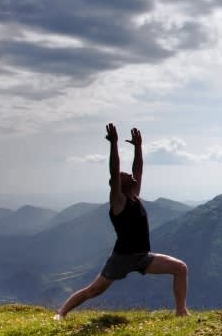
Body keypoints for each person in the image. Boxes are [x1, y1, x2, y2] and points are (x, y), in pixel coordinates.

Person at [54, 123, 189, 320]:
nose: (130, 175)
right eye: (125, 176)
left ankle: (181, 311)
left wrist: (138, 147)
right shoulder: (118, 201)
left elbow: (138, 170)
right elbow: (114, 169)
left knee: (180, 268)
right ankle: (61, 313)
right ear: (119, 184)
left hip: (143, 256)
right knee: (93, 291)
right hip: (122, 257)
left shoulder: (134, 195)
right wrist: (114, 144)